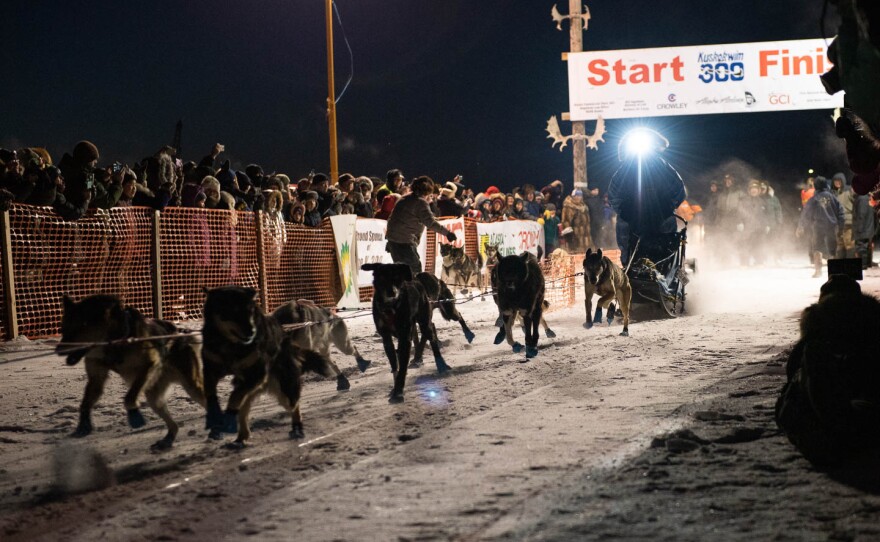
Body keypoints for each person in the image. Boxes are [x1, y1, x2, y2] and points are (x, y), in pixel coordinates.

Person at [608, 128, 686, 265]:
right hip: (633, 223)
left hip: (661, 222)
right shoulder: (622, 173)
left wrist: (666, 207)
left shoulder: (664, 169)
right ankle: (630, 270)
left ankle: (667, 272)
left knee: (665, 255)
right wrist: (626, 211)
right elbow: (614, 196)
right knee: (630, 254)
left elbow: (678, 190)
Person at [385, 176, 456, 275]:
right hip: (405, 242)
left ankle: (400, 289)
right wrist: (447, 233)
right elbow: (430, 223)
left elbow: (392, 219)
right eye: (430, 194)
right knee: (415, 270)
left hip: (394, 241)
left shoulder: (404, 198)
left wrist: (389, 240)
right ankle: (412, 290)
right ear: (426, 192)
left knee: (401, 272)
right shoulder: (420, 202)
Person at [797, 177, 845, 278]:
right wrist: (841, 226)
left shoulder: (814, 198)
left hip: (818, 226)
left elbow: (806, 213)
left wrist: (801, 226)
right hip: (831, 226)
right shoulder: (832, 197)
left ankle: (818, 271)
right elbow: (840, 212)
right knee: (833, 248)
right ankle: (834, 271)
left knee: (817, 247)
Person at [831, 172, 855, 258]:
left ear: (843, 181)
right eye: (835, 181)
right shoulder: (833, 193)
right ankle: (841, 265)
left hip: (848, 221)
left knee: (849, 243)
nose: (837, 183)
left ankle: (851, 265)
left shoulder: (849, 191)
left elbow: (856, 203)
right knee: (840, 244)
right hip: (838, 223)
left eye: (839, 181)